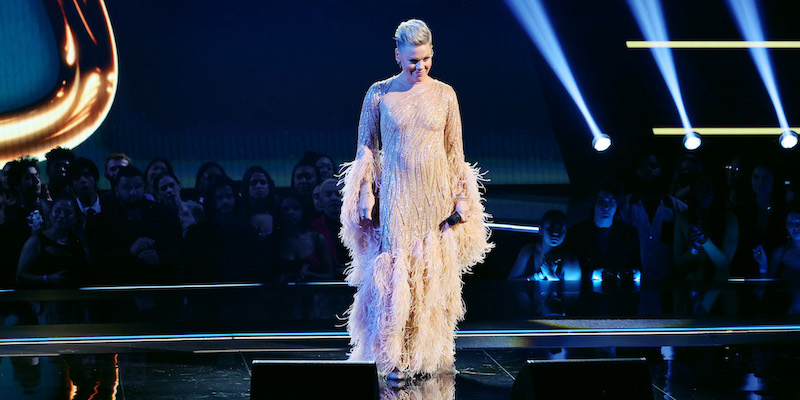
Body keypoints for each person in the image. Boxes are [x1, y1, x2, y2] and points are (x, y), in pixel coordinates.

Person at [339, 19, 492, 378]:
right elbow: (367, 148)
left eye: (424, 59)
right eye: (411, 60)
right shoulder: (379, 93)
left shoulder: (445, 94)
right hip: (398, 196)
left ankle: (423, 356)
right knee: (396, 277)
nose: (418, 67)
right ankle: (393, 357)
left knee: (429, 278)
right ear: (397, 55)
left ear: (432, 54)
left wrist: (462, 199)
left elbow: (454, 152)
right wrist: (365, 193)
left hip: (436, 197)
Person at [508, 209, 579, 281]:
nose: (556, 233)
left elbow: (572, 292)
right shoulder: (529, 251)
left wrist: (551, 276)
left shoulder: (571, 262)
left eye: (561, 229)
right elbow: (510, 283)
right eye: (551, 228)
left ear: (566, 232)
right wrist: (539, 276)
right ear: (541, 229)